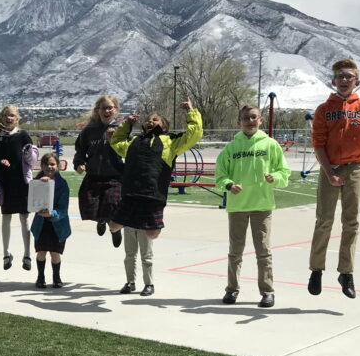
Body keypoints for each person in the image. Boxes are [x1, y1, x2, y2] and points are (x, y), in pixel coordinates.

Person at [308, 58, 360, 299]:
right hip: (329, 167)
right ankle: (316, 269)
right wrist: (329, 172)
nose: (344, 80)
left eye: (348, 77)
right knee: (324, 220)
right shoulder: (324, 109)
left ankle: (346, 272)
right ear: (333, 80)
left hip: (354, 168)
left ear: (356, 81)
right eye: (340, 76)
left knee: (351, 222)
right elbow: (318, 144)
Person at [108, 100, 203, 295]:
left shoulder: (171, 143)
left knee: (150, 237)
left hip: (153, 196)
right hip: (130, 194)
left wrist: (191, 112)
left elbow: (195, 134)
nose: (150, 121)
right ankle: (129, 281)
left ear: (165, 126)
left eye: (156, 119)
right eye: (148, 119)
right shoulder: (133, 142)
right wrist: (126, 125)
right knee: (114, 226)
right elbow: (116, 143)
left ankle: (148, 283)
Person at [214, 105, 291, 308]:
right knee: (235, 252)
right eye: (246, 118)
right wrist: (229, 185)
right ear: (239, 121)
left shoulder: (271, 145)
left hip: (262, 206)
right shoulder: (231, 148)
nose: (250, 121)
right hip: (238, 207)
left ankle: (267, 292)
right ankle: (231, 290)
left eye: (254, 117)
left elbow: (284, 173)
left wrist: (274, 177)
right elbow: (220, 175)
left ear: (261, 120)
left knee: (263, 251)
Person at [0, 105, 38, 271]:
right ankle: (6, 253)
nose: (9, 118)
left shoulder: (23, 135)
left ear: (18, 118)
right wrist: (0, 162)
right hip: (5, 183)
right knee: (6, 217)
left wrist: (29, 152)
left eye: (13, 116)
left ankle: (27, 254)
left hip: (22, 183)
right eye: (7, 115)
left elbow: (32, 159)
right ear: (2, 117)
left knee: (25, 218)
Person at [74, 95, 124, 246]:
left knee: (111, 205)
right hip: (94, 175)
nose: (107, 111)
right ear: (98, 110)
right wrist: (79, 164)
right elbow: (80, 151)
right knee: (88, 204)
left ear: (116, 110)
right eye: (104, 108)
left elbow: (129, 151)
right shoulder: (89, 130)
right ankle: (100, 220)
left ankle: (114, 230)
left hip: (114, 176)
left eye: (110, 108)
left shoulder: (121, 129)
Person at [30, 153, 71, 288]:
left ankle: (56, 277)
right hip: (41, 224)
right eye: (46, 164)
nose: (49, 167)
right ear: (41, 166)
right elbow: (32, 201)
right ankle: (40, 277)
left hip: (58, 224)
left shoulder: (63, 184)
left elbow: (63, 209)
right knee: (41, 252)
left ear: (58, 166)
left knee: (55, 253)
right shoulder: (37, 182)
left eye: (53, 164)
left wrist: (51, 214)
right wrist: (41, 183)